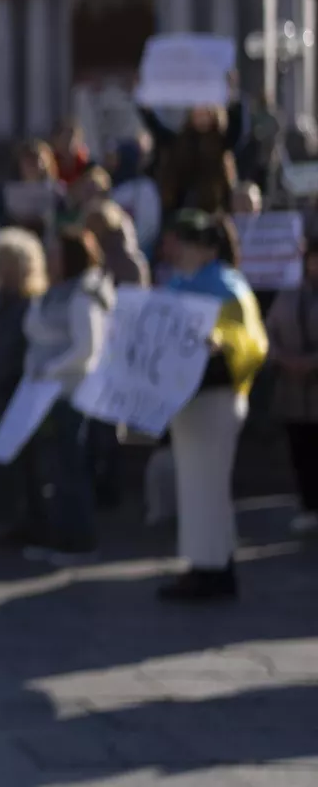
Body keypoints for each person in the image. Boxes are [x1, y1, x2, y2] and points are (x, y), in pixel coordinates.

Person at [159, 210, 269, 601]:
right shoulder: (180, 282)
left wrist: (220, 342)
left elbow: (251, 340)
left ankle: (212, 569)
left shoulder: (227, 284)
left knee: (207, 487)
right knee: (197, 488)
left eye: (184, 241)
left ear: (205, 247)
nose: (175, 249)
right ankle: (207, 563)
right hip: (188, 401)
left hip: (216, 398)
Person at [20, 227, 114, 563]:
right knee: (55, 470)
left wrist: (50, 369)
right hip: (45, 394)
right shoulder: (54, 292)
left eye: (56, 252)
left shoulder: (85, 294)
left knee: (72, 469)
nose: (49, 259)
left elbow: (86, 349)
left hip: (72, 395)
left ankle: (80, 541)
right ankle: (58, 536)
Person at [0, 229, 48, 536]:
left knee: (20, 463)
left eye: (3, 263)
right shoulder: (0, 304)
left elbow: (9, 355)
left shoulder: (28, 306)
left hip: (13, 394)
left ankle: (23, 520)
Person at [264, 243, 318, 534]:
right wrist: (283, 357)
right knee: (301, 449)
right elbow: (269, 329)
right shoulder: (289, 292)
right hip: (292, 390)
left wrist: (311, 362)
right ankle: (309, 505)